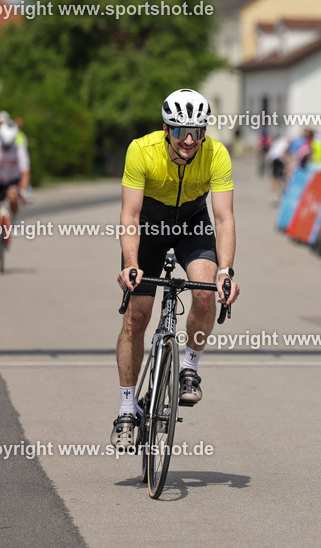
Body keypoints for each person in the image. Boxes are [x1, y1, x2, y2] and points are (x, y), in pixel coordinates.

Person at [112, 88, 241, 450]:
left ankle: (190, 368)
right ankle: (126, 408)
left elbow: (223, 218)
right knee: (136, 318)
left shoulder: (217, 154)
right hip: (149, 225)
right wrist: (132, 265)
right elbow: (130, 215)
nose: (189, 140)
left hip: (192, 223)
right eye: (181, 130)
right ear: (165, 128)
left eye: (197, 132)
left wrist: (225, 271)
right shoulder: (141, 150)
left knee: (204, 291)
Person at [0, 122, 30, 263]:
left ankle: (14, 221)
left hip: (12, 181)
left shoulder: (19, 150)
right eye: (4, 145)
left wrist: (24, 191)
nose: (6, 148)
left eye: (9, 145)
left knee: (13, 196)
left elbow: (25, 173)